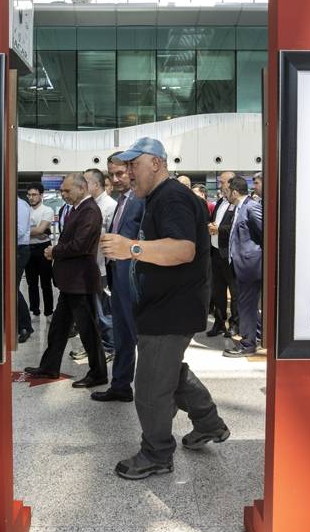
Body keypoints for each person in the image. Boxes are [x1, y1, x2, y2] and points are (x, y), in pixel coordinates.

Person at [99, 137, 228, 480]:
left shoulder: (172, 197)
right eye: (124, 167)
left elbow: (183, 249)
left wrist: (131, 248)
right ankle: (209, 423)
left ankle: (156, 454)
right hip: (164, 306)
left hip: (170, 308)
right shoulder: (159, 198)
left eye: (133, 166)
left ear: (155, 163)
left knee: (152, 388)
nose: (127, 173)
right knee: (171, 372)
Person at [24, 174, 107, 388]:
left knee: (88, 330)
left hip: (81, 281)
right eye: (62, 190)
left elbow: (79, 245)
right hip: (70, 281)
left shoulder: (89, 210)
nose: (63, 194)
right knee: (59, 328)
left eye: (67, 191)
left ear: (82, 188)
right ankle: (50, 367)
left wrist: (55, 251)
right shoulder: (76, 210)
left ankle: (98, 373)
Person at [92, 152, 144, 403]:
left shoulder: (141, 199)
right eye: (111, 174)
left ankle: (153, 388)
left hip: (135, 280)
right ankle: (121, 385)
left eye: (120, 173)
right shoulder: (122, 200)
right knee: (123, 334)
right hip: (118, 277)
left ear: (132, 170)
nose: (115, 179)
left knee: (141, 338)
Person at [223, 175, 263, 357]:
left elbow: (265, 233)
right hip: (242, 265)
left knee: (247, 306)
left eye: (227, 191)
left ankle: (248, 345)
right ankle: (252, 337)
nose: (225, 195)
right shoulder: (240, 207)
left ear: (234, 191)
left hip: (250, 266)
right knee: (246, 304)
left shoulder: (251, 206)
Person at [83, 168, 117, 359]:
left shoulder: (110, 206)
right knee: (94, 309)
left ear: (96, 184)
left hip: (103, 266)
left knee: (104, 309)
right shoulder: (91, 204)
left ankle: (109, 346)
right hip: (90, 265)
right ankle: (97, 346)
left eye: (85, 182)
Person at [207, 171, 239, 338]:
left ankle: (235, 325)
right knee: (217, 291)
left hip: (229, 255)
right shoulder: (220, 202)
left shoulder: (238, 204)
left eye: (223, 182)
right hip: (215, 253)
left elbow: (236, 226)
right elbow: (214, 220)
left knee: (234, 292)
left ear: (232, 184)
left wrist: (218, 229)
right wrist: (212, 225)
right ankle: (219, 323)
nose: (220, 185)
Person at [25, 183, 54, 317]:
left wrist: (24, 232)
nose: (31, 197)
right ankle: (34, 310)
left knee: (46, 283)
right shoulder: (24, 210)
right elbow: (37, 231)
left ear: (41, 195)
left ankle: (48, 311)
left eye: (34, 194)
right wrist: (36, 231)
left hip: (43, 248)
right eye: (29, 195)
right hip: (28, 248)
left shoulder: (47, 210)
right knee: (31, 283)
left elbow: (41, 230)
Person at [16, 195, 33, 342]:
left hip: (19, 250)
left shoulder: (20, 206)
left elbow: (19, 231)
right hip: (11, 248)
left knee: (11, 289)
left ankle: (25, 326)